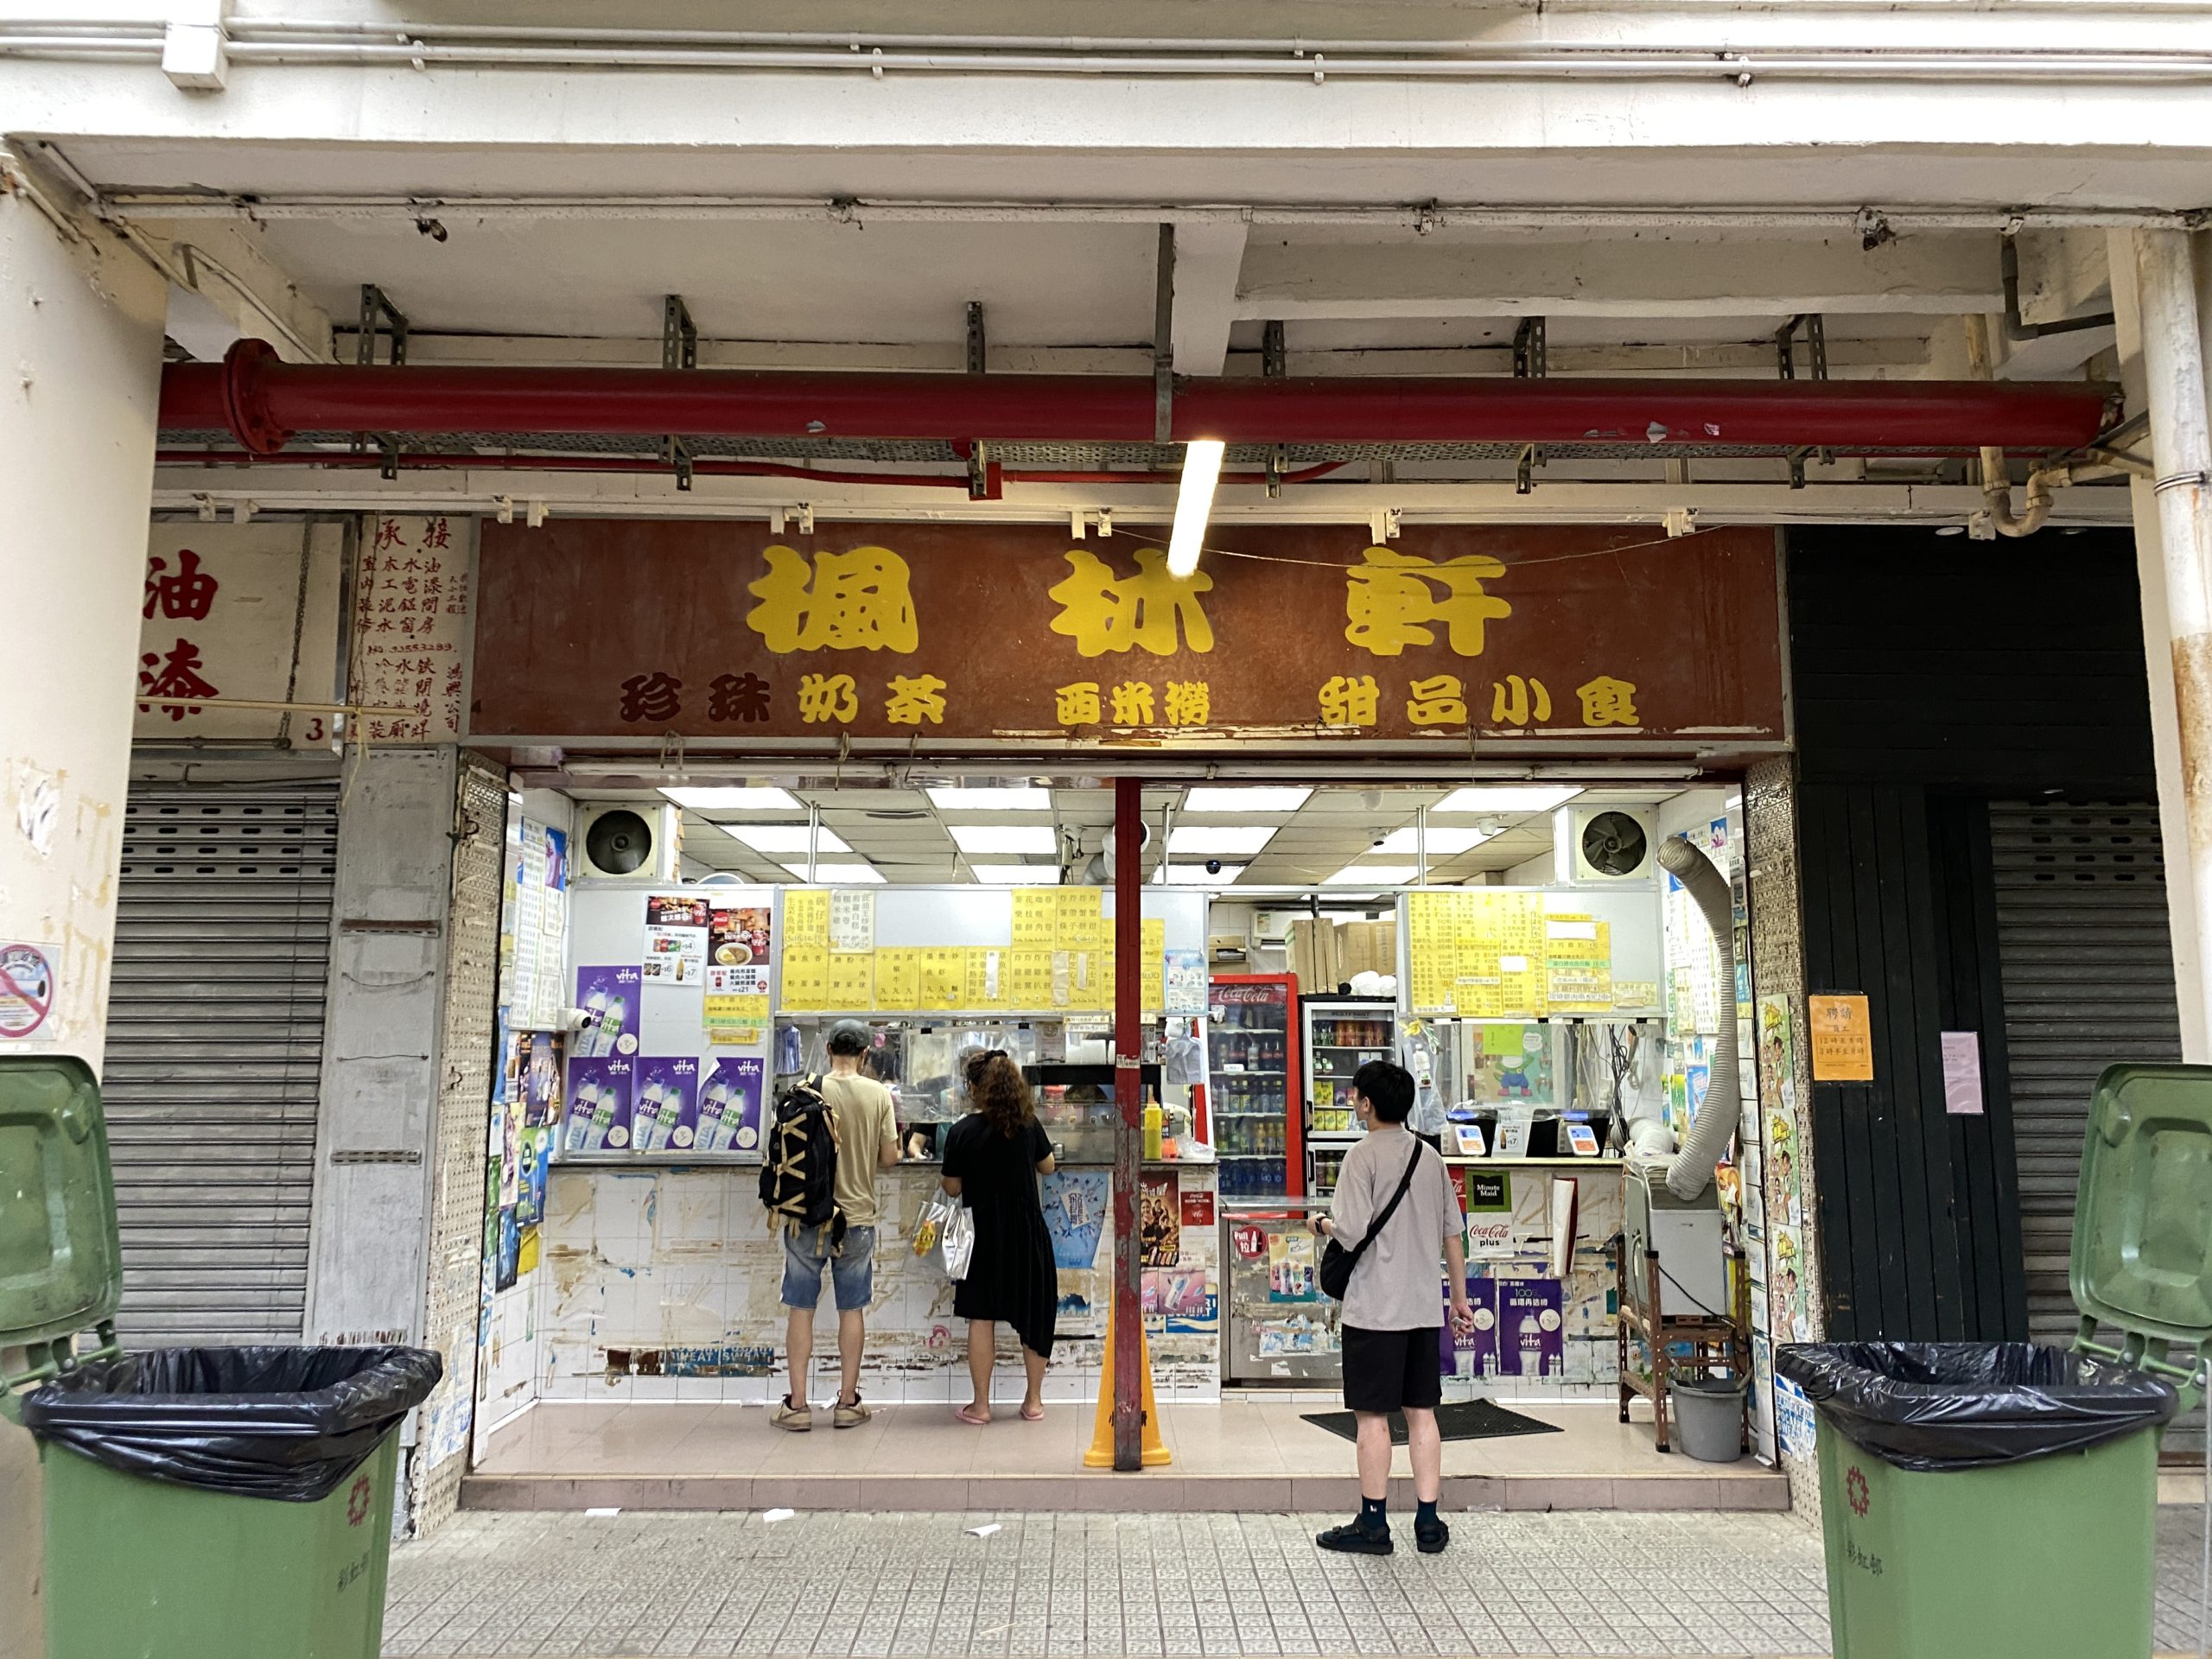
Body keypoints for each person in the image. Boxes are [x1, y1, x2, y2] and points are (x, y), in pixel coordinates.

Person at [1312, 1058, 1474, 1556]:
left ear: (1368, 1103)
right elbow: (1453, 1235)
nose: (1352, 1102)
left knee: (1372, 1418)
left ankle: (1373, 1522)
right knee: (1422, 1413)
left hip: (1374, 1309)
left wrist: (1322, 1224)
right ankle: (1428, 1522)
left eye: (1355, 1095)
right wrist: (1459, 1300)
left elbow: (1351, 1230)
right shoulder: (1430, 1157)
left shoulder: (1360, 1157)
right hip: (1422, 1308)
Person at [774, 1019, 899, 1433]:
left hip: (806, 1217)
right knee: (851, 1309)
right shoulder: (878, 1093)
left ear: (828, 1049)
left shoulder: (807, 1090)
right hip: (857, 1218)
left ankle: (797, 1405)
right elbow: (889, 1158)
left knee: (801, 1308)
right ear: (865, 1053)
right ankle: (847, 1403)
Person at [940, 1049, 1058, 1424]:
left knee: (981, 1316)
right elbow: (1048, 1166)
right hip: (1026, 1230)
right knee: (1033, 1313)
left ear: (975, 1088)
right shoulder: (1028, 1125)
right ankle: (1033, 1401)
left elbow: (952, 1188)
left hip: (981, 1234)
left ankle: (981, 1405)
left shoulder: (961, 1132)